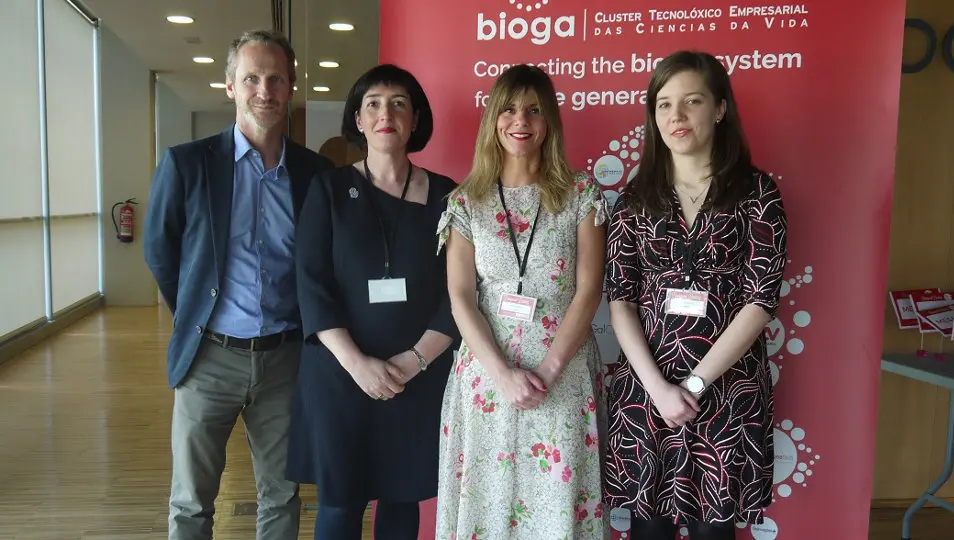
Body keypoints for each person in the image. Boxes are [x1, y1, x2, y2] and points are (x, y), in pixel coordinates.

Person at [143, 29, 334, 540]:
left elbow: (320, 264)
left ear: (291, 87)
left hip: (285, 361)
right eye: (251, 78)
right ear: (230, 85)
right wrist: (195, 316)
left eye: (276, 79)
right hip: (208, 359)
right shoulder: (187, 164)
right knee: (191, 502)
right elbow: (161, 252)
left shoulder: (315, 173)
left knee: (283, 496)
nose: (264, 90)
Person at [602, 50, 789, 540]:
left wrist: (695, 385)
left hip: (726, 392)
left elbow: (760, 301)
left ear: (720, 108)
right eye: (664, 104)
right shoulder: (634, 199)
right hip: (647, 392)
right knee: (648, 530)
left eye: (692, 101)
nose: (676, 116)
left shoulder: (757, 194)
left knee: (713, 532)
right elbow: (620, 300)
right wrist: (660, 390)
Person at [435, 64, 610, 539]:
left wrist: (548, 371)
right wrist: (502, 374)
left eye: (534, 110)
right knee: (487, 505)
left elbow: (589, 290)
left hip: (562, 376)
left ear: (549, 120)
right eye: (509, 109)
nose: (521, 120)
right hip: (487, 379)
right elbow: (461, 296)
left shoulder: (581, 194)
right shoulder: (465, 201)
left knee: (555, 505)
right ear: (493, 118)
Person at [285, 63, 459, 540]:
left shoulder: (448, 196)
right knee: (339, 505)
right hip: (340, 375)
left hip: (416, 377)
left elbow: (460, 291)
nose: (386, 114)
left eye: (399, 104)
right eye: (374, 104)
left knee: (402, 499)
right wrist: (358, 364)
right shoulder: (328, 189)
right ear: (358, 120)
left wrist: (414, 360)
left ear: (415, 119)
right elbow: (311, 282)